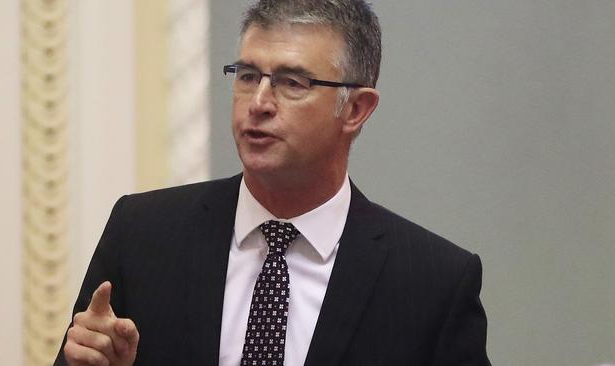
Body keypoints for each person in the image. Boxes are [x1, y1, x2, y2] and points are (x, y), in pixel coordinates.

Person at [55, 1, 491, 365]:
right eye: (247, 76)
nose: (259, 103)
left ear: (356, 109)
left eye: (291, 82)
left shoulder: (433, 284)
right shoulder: (144, 234)